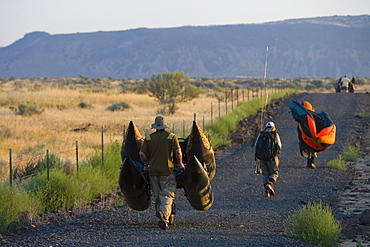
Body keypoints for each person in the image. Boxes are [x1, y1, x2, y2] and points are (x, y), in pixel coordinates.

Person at [139, 116, 184, 230]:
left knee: (158, 194)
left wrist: (146, 165)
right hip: (167, 170)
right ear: (165, 126)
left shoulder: (148, 138)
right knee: (167, 194)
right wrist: (179, 163)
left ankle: (160, 216)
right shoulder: (171, 136)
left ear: (155, 126)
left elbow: (141, 154)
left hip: (153, 171)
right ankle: (164, 214)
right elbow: (178, 151)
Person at [255, 122, 282, 197]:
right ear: (273, 127)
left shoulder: (261, 134)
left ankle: (267, 192)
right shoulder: (275, 134)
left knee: (265, 174)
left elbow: (256, 145)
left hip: (261, 158)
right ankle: (270, 184)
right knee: (274, 173)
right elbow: (279, 146)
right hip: (272, 158)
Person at [298, 101, 321, 169]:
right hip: (314, 136)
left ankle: (309, 162)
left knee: (308, 150)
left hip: (306, 136)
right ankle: (312, 162)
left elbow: (299, 130)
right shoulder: (314, 115)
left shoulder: (302, 117)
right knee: (312, 150)